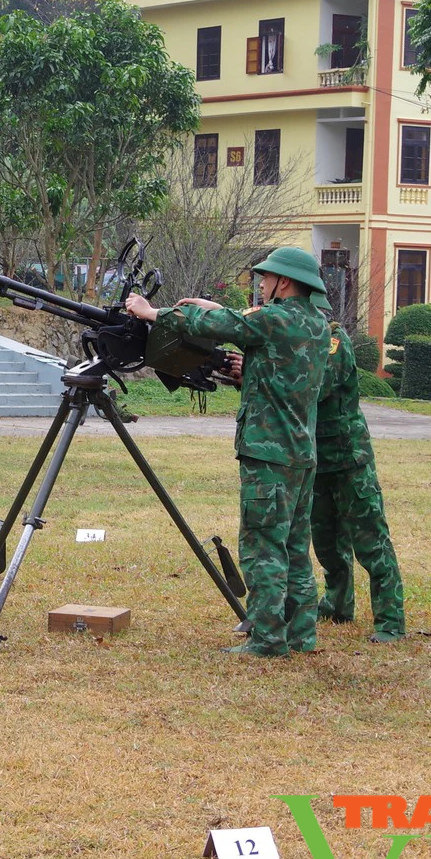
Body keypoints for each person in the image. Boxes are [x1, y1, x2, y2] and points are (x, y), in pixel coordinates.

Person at [125, 247, 330, 658]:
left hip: (268, 454)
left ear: (284, 282)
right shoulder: (315, 324)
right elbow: (251, 330)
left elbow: (227, 324)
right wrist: (244, 364)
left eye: (266, 278)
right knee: (293, 546)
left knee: (263, 547)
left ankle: (268, 639)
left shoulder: (277, 318)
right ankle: (301, 633)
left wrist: (151, 312)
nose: (262, 285)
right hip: (300, 454)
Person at [309, 304, 407, 642]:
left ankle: (390, 620)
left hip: (349, 458)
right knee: (325, 539)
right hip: (318, 457)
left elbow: (316, 388)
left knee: (370, 540)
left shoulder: (333, 341)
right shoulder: (301, 341)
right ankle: (337, 603)